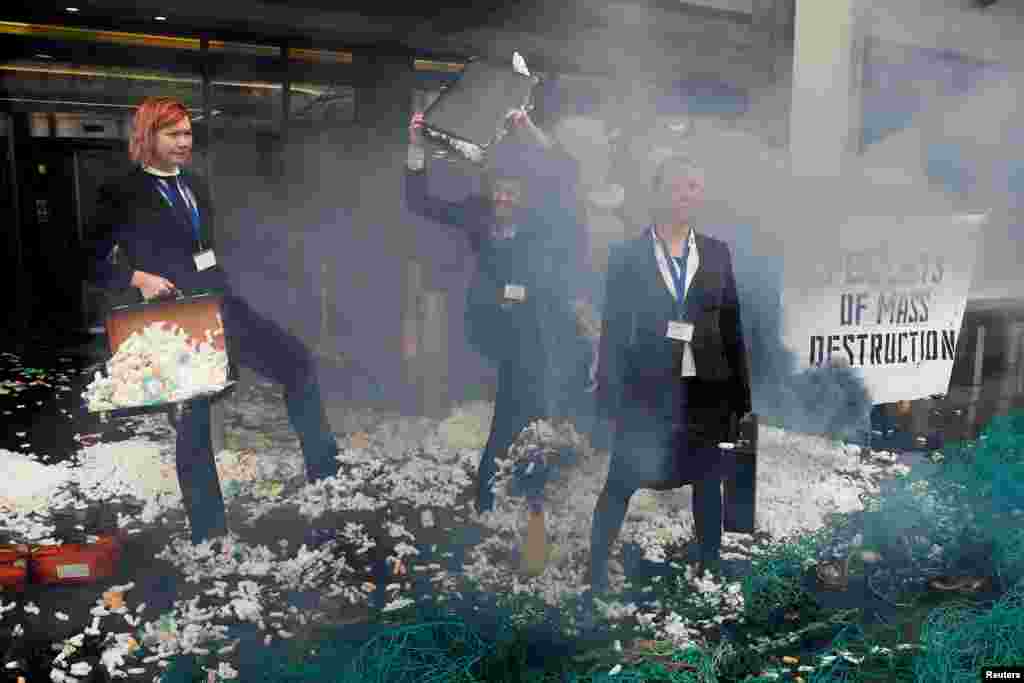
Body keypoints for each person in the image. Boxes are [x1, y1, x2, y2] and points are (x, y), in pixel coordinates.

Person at [85, 97, 339, 547]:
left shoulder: (195, 185)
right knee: (194, 419)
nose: (185, 142)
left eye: (187, 133)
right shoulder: (120, 191)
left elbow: (205, 251)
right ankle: (210, 534)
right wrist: (137, 278)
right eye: (174, 134)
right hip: (171, 321)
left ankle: (328, 478)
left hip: (219, 305)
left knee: (298, 363)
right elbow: (88, 260)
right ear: (148, 136)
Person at [405, 107, 597, 514]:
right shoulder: (477, 211)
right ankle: (502, 490)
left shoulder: (542, 217)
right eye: (499, 191)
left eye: (512, 192)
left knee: (525, 400)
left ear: (525, 195)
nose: (504, 199)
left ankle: (506, 489)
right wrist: (415, 147)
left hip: (536, 320)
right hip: (490, 318)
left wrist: (530, 130)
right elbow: (418, 202)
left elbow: (566, 171)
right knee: (520, 397)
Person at [589, 154, 752, 592]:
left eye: (694, 186)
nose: (686, 195)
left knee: (708, 477)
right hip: (646, 388)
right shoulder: (628, 256)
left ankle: (711, 564)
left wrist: (741, 397)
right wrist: (606, 396)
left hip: (707, 387)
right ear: (658, 192)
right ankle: (596, 571)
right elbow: (613, 329)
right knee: (621, 479)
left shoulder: (717, 252)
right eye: (678, 186)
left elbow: (731, 326)